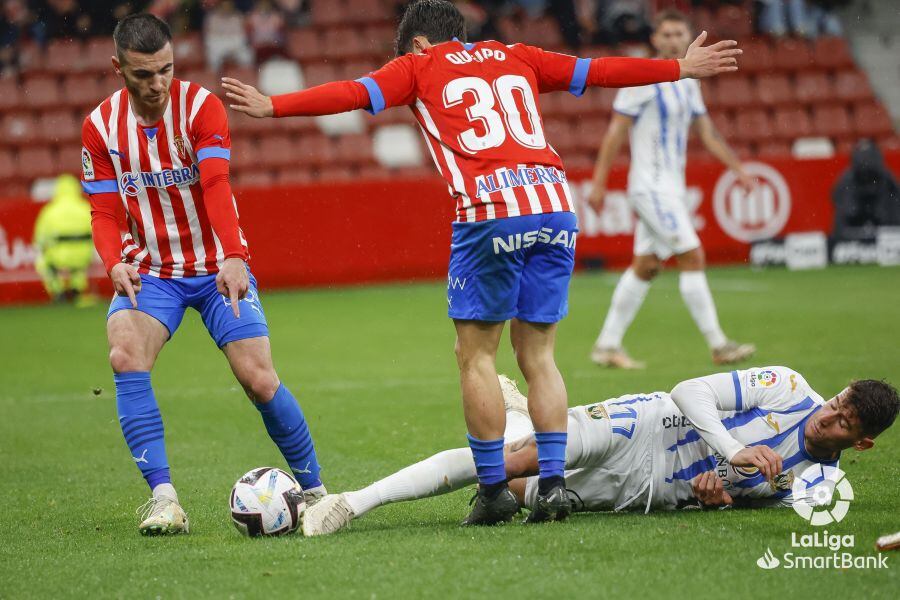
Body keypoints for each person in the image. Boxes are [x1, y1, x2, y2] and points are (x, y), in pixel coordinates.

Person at [222, 0, 740, 526]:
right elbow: (599, 70)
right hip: (555, 207)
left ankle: (494, 490)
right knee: (538, 356)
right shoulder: (516, 54)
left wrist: (274, 106)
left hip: (490, 213)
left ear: (419, 42)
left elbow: (355, 93)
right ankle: (554, 485)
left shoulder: (419, 65)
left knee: (476, 356)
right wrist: (678, 68)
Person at [80, 14, 324, 535]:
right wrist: (113, 261)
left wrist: (234, 254)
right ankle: (165, 500)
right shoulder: (100, 127)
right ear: (117, 68)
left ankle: (318, 491)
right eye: (143, 74)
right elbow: (103, 212)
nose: (157, 84)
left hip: (217, 266)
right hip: (151, 272)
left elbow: (216, 183)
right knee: (124, 350)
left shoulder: (200, 107)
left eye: (165, 70)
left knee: (258, 378)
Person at [301, 368, 899, 535]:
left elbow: (734, 502)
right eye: (837, 403)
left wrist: (715, 498)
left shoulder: (813, 491)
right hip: (646, 425)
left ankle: (516, 414)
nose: (829, 417)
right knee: (512, 463)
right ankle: (353, 503)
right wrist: (734, 447)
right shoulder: (792, 388)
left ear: (861, 443)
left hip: (653, 490)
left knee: (516, 495)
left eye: (844, 423)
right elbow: (689, 391)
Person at [588, 9, 755, 370]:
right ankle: (719, 344)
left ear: (689, 37)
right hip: (650, 188)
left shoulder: (690, 81)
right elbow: (616, 132)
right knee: (692, 255)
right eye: (666, 34)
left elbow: (706, 132)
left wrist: (738, 169)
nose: (673, 40)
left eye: (679, 34)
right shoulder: (642, 80)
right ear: (655, 40)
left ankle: (606, 346)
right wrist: (599, 183)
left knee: (646, 266)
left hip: (671, 189)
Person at [33, 174, 95, 305]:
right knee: (79, 267)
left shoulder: (50, 210)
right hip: (82, 256)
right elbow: (96, 232)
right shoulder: (85, 207)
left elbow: (40, 239)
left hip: (59, 256)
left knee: (43, 263)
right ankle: (76, 289)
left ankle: (58, 291)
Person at [831, 139, 900, 241]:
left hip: (883, 221)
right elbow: (838, 200)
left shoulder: (887, 180)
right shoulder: (846, 181)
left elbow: (896, 201)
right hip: (854, 219)